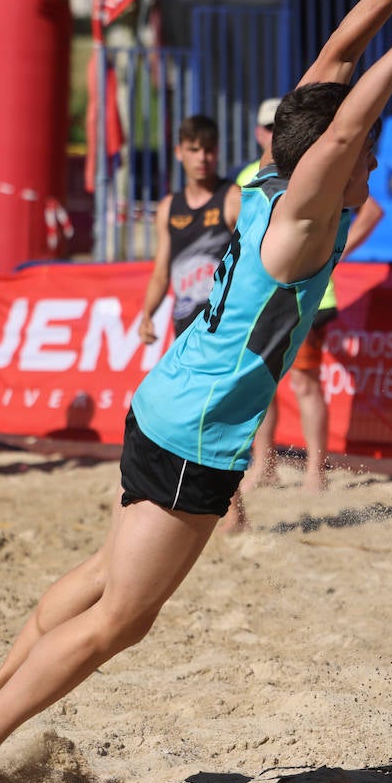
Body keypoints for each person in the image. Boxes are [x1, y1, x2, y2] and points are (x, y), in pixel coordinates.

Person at [0, 0, 392, 783]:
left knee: (100, 576)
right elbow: (344, 120)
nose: (369, 164)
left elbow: (335, 60)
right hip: (199, 432)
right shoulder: (301, 221)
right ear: (326, 163)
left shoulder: (270, 171)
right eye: (362, 158)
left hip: (165, 398)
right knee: (123, 618)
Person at [239, 97, 386, 493]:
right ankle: (264, 464)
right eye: (267, 127)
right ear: (257, 132)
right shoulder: (248, 175)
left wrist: (328, 254)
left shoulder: (310, 171)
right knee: (259, 386)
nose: (272, 134)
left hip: (309, 297)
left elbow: (372, 210)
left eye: (277, 127)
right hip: (264, 296)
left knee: (305, 384)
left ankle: (315, 472)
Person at [137, 114, 246, 529]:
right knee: (189, 416)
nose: (203, 158)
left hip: (222, 327)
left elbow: (251, 257)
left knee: (214, 416)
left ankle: (234, 511)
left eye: (210, 149)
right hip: (185, 328)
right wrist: (147, 312)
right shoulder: (170, 207)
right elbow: (162, 268)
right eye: (194, 149)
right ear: (180, 152)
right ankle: (216, 507)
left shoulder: (230, 198)